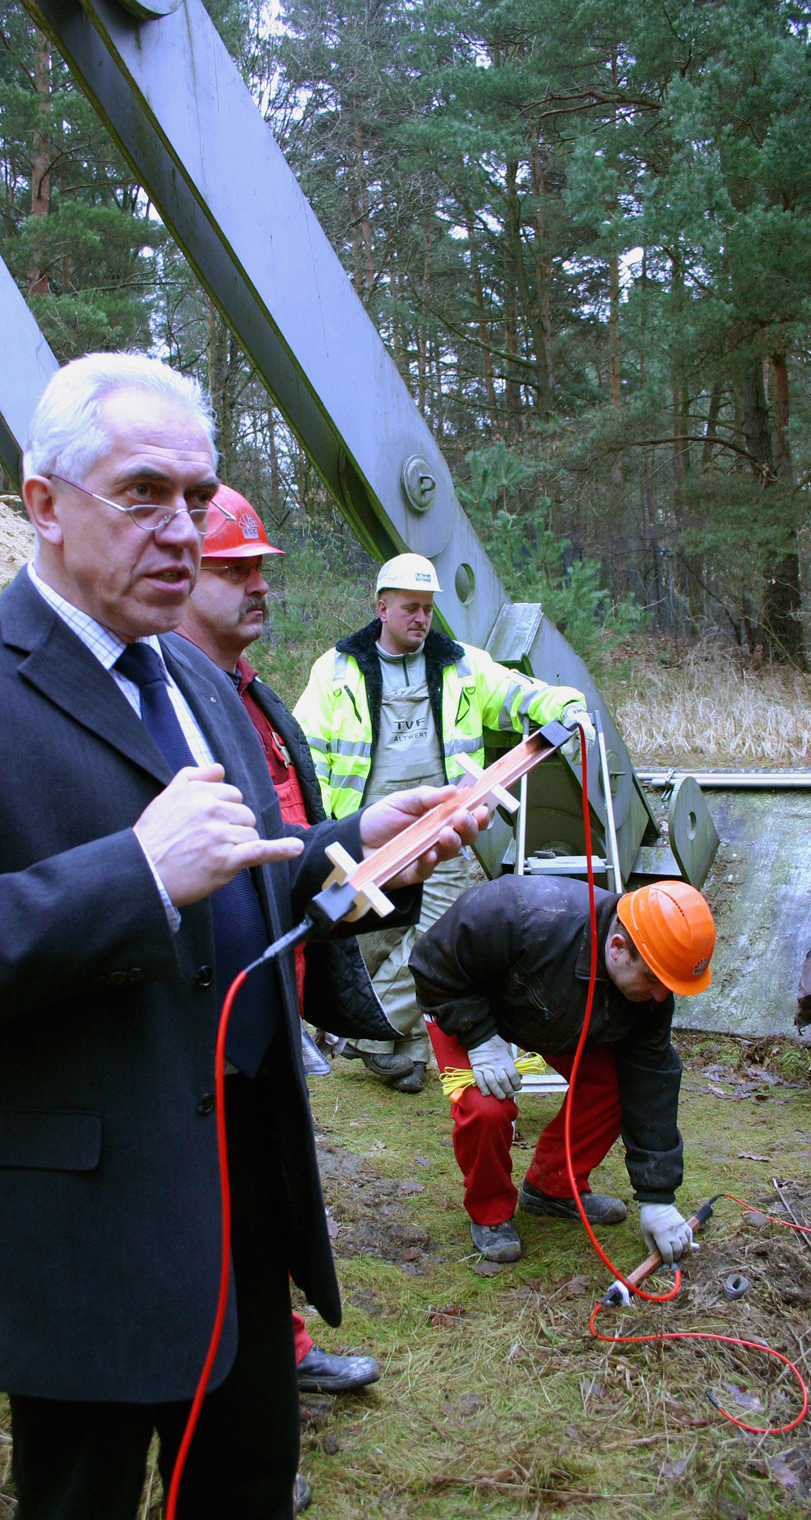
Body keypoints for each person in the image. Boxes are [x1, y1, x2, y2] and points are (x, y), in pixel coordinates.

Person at [0, 353, 485, 1520]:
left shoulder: (195, 676)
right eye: (146, 494)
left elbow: (247, 879)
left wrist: (359, 850)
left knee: (246, 1486)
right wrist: (134, 873)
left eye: (198, 495)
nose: (185, 528)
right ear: (44, 503)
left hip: (240, 1195)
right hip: (79, 1221)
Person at [178, 487, 386, 1513]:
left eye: (262, 564)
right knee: (220, 1209)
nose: (258, 582)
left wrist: (369, 847)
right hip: (219, 1012)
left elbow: (286, 837)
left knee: (266, 1198)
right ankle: (226, 1404)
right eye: (235, 567)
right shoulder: (177, 701)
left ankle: (276, 1354)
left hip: (282, 973)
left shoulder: (247, 688)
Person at [294, 553, 592, 1093]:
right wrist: (319, 828)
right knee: (365, 945)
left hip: (444, 833)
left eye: (429, 608)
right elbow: (305, 749)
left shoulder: (463, 665)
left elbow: (517, 695)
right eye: (411, 608)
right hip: (362, 835)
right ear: (382, 608)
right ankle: (401, 1051)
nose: (422, 618)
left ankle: (367, 1039)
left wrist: (564, 703)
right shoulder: (333, 670)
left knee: (436, 941)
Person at [409, 877, 716, 1264]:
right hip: (466, 1005)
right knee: (487, 1108)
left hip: (551, 1016)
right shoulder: (518, 913)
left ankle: (552, 1186)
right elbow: (430, 963)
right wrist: (481, 1038)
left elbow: (650, 1081)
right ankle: (490, 1214)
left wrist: (657, 1198)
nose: (660, 997)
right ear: (618, 947)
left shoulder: (652, 995)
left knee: (617, 1085)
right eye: (654, 980)